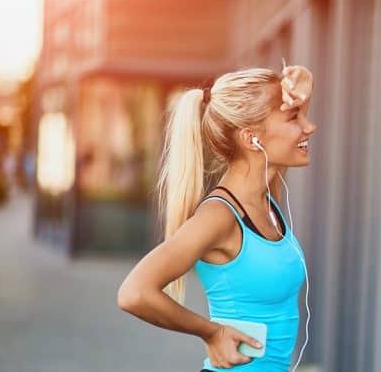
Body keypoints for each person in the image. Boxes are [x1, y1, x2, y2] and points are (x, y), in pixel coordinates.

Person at [118, 65, 316, 372]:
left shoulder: (264, 196)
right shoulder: (220, 216)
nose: (309, 126)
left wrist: (304, 84)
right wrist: (211, 333)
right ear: (252, 139)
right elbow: (134, 293)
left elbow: (283, 138)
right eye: (294, 117)